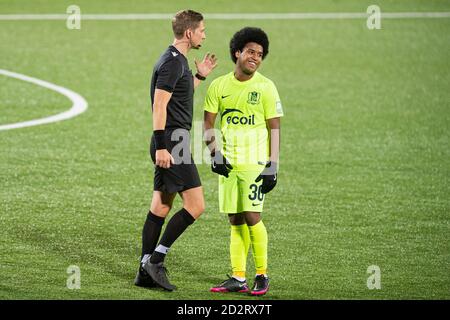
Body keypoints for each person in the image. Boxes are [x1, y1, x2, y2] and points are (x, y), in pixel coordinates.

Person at [134, 9, 217, 291]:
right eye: (202, 30)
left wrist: (199, 77)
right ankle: (155, 261)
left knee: (161, 205)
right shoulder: (171, 63)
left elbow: (180, 94)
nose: (205, 34)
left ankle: (144, 269)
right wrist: (162, 146)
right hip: (172, 142)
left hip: (172, 140)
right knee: (196, 206)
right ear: (189, 33)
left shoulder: (178, 61)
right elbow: (159, 105)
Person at [203, 27, 283, 296]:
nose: (255, 57)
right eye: (251, 51)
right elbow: (208, 123)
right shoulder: (219, 86)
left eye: (260, 54)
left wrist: (272, 164)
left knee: (252, 217)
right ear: (237, 52)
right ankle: (238, 277)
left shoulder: (266, 87)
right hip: (229, 164)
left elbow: (275, 127)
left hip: (255, 163)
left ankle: (262, 274)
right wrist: (214, 152)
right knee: (235, 220)